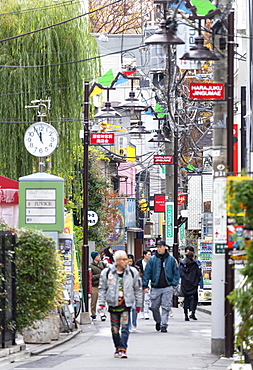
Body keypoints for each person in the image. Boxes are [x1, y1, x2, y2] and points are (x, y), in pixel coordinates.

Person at [98, 250, 142, 359]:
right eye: (123, 259)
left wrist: (139, 304)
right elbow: (102, 289)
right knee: (115, 329)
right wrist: (101, 303)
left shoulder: (132, 272)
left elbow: (138, 289)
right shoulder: (107, 273)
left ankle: (123, 349)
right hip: (113, 304)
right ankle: (117, 347)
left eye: (127, 259)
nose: (126, 262)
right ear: (117, 261)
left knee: (125, 328)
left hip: (126, 305)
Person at [143, 240, 179, 333]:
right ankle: (158, 321)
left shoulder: (171, 259)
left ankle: (164, 325)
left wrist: (174, 283)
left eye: (160, 247)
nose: (159, 249)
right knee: (154, 307)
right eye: (158, 247)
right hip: (155, 286)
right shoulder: (152, 259)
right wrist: (145, 285)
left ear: (165, 247)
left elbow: (176, 272)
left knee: (165, 306)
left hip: (167, 286)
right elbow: (147, 272)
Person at [180, 251, 201, 321]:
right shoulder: (195, 264)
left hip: (185, 284)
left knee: (186, 299)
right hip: (193, 284)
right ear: (193, 257)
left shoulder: (183, 264)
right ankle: (192, 312)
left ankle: (186, 314)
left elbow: (180, 273)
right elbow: (199, 274)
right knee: (194, 298)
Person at [89, 251, 106, 321]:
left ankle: (103, 314)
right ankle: (93, 314)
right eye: (98, 256)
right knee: (94, 301)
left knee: (103, 301)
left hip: (102, 285)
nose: (99, 257)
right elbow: (90, 277)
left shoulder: (102, 264)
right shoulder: (91, 266)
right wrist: (99, 276)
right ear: (94, 257)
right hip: (95, 285)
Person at [135, 249, 152, 319]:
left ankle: (146, 312)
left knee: (147, 298)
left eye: (150, 254)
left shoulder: (152, 262)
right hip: (140, 281)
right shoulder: (139, 262)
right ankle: (141, 311)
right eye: (148, 254)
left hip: (149, 281)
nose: (150, 256)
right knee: (141, 297)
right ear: (144, 255)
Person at [127, 254, 138, 331]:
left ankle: (134, 323)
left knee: (134, 308)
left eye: (131, 261)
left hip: (134, 291)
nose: (130, 263)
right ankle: (128, 324)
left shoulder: (135, 269)